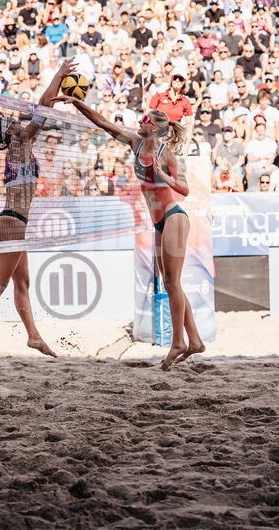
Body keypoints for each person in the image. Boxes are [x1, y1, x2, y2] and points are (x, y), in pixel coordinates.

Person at [55, 98, 204, 371]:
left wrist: (164, 176)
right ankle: (193, 340)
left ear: (156, 128)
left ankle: (179, 343)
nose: (140, 121)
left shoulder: (166, 154)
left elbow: (184, 189)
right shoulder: (135, 143)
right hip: (158, 221)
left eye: (145, 120)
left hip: (174, 217)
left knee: (172, 284)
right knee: (171, 284)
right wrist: (76, 101)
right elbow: (103, 123)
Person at [0, 59, 77, 367]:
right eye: (13, 122)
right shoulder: (20, 144)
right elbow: (41, 109)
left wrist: (54, 85)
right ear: (10, 133)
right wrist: (57, 75)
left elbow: (40, 109)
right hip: (11, 221)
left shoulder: (22, 148)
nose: (18, 122)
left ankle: (33, 335)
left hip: (13, 222)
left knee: (22, 283)